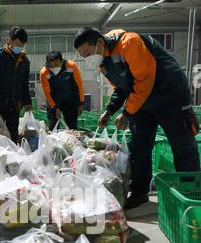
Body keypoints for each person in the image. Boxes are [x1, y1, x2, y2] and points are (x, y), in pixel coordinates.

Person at [74, 28, 200, 209]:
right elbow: (121, 88)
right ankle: (140, 192)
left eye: (87, 53)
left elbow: (145, 80)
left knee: (182, 146)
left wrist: (126, 114)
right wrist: (110, 110)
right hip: (142, 101)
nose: (87, 59)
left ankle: (190, 195)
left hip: (171, 96)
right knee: (139, 148)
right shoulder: (103, 64)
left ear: (100, 43)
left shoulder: (129, 43)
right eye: (82, 56)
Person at [0, 26, 32, 143]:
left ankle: (12, 158)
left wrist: (27, 101)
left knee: (13, 133)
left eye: (22, 45)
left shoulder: (25, 61)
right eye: (17, 44)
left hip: (14, 104)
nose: (19, 47)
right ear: (9, 40)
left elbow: (24, 84)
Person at [40, 51, 85, 130]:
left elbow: (79, 85)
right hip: (53, 100)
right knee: (53, 125)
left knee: (72, 126)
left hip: (70, 100)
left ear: (62, 61)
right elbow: (47, 93)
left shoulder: (71, 66)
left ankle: (72, 141)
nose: (53, 67)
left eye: (56, 64)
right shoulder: (44, 72)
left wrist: (80, 103)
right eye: (51, 65)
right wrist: (55, 108)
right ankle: (53, 141)